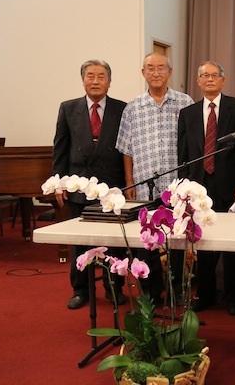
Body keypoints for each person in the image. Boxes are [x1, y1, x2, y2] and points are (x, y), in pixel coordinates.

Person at [116, 52, 194, 299]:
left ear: (169, 72)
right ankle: (151, 289)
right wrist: (130, 182)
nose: (156, 73)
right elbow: (126, 149)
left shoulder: (185, 102)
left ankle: (177, 289)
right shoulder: (132, 107)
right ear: (143, 73)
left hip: (177, 186)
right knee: (147, 238)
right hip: (144, 184)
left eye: (161, 68)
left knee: (177, 238)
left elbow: (194, 144)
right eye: (150, 68)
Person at [52, 59, 127, 309]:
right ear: (83, 80)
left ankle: (114, 288)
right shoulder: (68, 108)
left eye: (101, 76)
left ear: (109, 81)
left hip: (112, 187)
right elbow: (60, 148)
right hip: (78, 185)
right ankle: (80, 290)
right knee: (80, 242)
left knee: (114, 242)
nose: (95, 81)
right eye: (90, 76)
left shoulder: (122, 109)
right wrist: (59, 182)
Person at [177, 60, 235, 315]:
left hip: (229, 186)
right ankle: (206, 294)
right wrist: (183, 186)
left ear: (223, 80)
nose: (210, 79)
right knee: (203, 243)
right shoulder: (187, 113)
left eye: (214, 75)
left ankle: (234, 297)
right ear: (198, 81)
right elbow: (183, 153)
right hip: (198, 187)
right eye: (205, 75)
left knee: (231, 245)